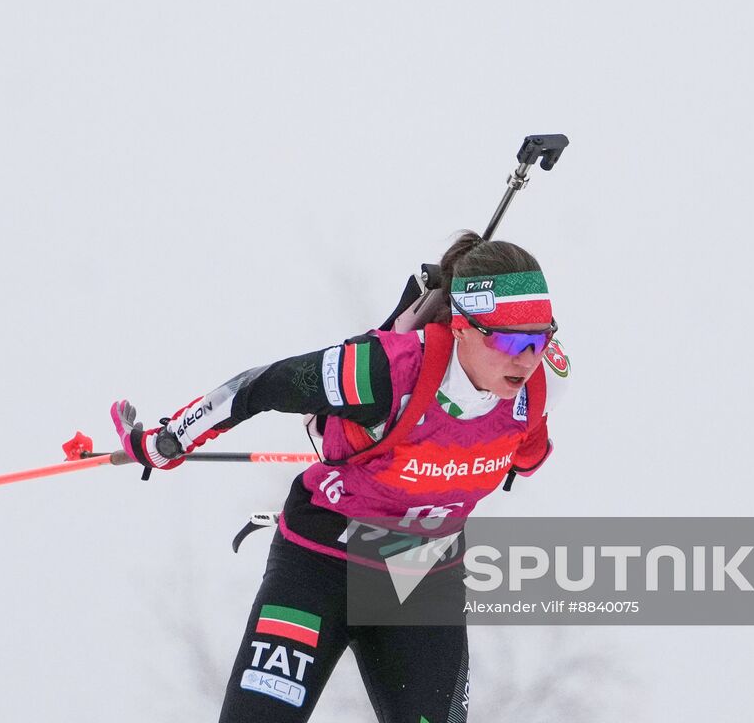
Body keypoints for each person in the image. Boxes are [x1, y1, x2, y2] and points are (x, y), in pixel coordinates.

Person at [111, 230, 569, 723]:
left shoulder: (541, 389)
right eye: (508, 339)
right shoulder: (383, 372)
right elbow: (259, 386)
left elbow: (524, 459)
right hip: (320, 563)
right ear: (460, 326)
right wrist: (167, 441)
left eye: (540, 339)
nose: (526, 357)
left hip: (417, 573)